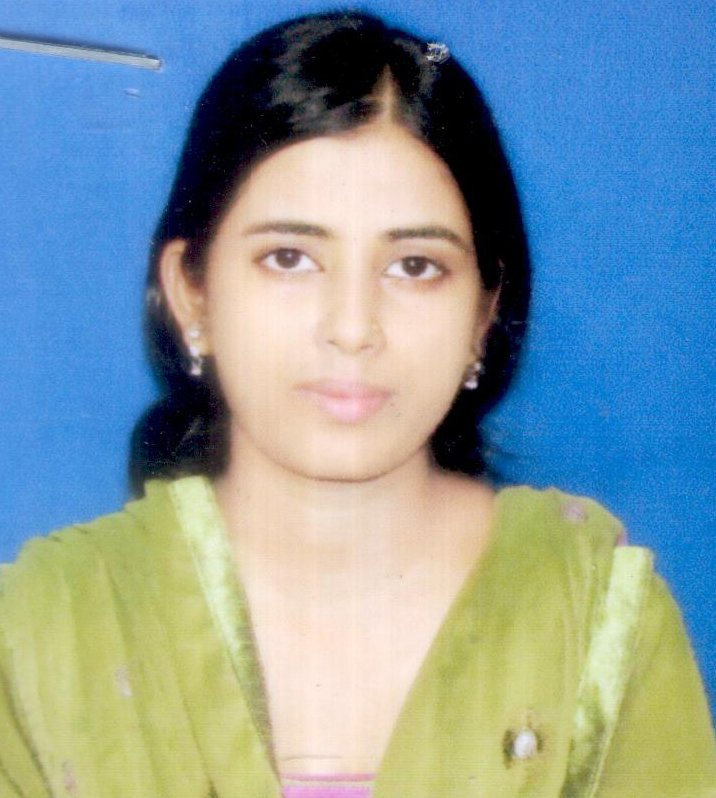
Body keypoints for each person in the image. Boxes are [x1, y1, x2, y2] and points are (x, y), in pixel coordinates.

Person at [0, 11, 714, 797]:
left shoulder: (600, 621)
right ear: (191, 293)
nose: (352, 327)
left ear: (484, 314)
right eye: (289, 257)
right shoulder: (41, 635)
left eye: (415, 266)